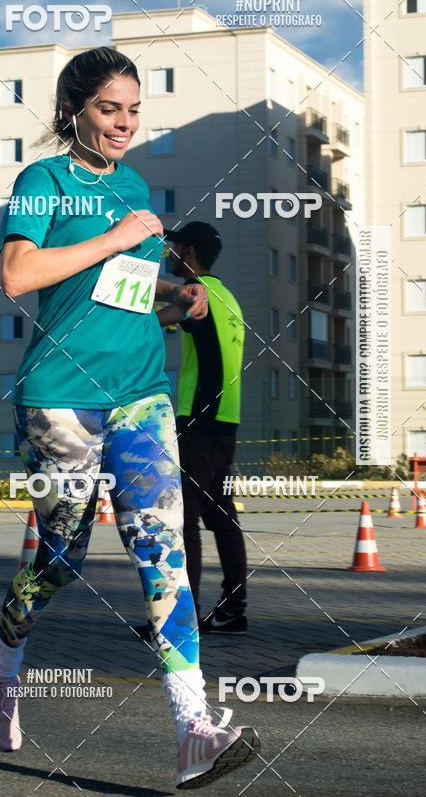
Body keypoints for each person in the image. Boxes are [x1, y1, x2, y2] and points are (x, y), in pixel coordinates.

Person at [0, 47, 259, 790]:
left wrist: (174, 297)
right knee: (60, 560)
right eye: (108, 108)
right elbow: (18, 274)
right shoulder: (43, 181)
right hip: (61, 397)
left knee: (163, 553)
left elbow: (120, 291)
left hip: (141, 393)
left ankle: (194, 728)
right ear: (73, 111)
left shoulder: (131, 185)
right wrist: (119, 237)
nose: (125, 123)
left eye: (133, 110)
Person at [157, 223, 249, 635]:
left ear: (189, 251)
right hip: (226, 422)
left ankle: (184, 617)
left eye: (174, 247)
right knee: (223, 519)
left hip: (198, 421)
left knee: (185, 519)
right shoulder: (229, 298)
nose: (170, 253)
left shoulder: (198, 294)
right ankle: (233, 610)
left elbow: (158, 320)